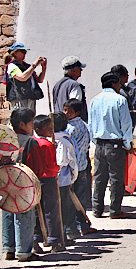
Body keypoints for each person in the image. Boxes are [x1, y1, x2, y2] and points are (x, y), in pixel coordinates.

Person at [89, 72, 133, 219]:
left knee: (99, 178)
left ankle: (97, 209)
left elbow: (91, 124)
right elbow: (126, 124)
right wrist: (128, 143)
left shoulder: (94, 100)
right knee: (116, 179)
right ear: (114, 83)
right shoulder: (120, 100)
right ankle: (114, 210)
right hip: (115, 145)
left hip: (100, 144)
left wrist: (95, 142)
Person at [2, 108, 39, 261]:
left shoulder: (5, 139)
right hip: (23, 184)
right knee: (24, 215)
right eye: (31, 123)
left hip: (5, 182)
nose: (33, 126)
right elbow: (34, 165)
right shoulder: (30, 141)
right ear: (23, 124)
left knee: (7, 212)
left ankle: (8, 248)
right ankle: (23, 251)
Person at [31, 115, 64, 252]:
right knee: (51, 210)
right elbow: (52, 165)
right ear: (38, 130)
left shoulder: (31, 142)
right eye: (47, 128)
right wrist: (58, 169)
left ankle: (35, 239)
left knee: (36, 210)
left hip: (34, 180)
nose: (51, 130)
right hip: (48, 179)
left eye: (51, 127)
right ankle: (54, 240)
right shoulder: (47, 145)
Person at [63, 99, 96, 236]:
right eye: (64, 110)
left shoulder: (69, 128)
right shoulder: (85, 125)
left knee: (70, 199)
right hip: (83, 165)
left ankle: (73, 228)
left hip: (72, 168)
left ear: (76, 112)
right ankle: (82, 225)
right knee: (80, 197)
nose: (66, 113)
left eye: (69, 111)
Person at [52, 113, 79, 241]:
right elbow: (70, 162)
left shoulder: (50, 140)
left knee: (54, 209)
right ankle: (61, 236)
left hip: (51, 180)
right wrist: (73, 178)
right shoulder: (65, 141)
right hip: (63, 181)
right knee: (63, 209)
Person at [2, 42, 46, 113]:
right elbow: (22, 77)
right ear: (15, 53)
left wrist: (44, 68)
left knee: (30, 121)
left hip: (30, 97)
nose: (25, 53)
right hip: (19, 98)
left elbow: (40, 80)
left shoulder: (27, 66)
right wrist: (34, 65)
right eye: (22, 51)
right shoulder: (12, 66)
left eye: (25, 51)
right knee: (20, 121)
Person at [53, 56, 88, 122]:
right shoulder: (74, 85)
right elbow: (74, 106)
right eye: (79, 68)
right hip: (71, 125)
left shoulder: (57, 85)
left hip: (60, 124)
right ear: (73, 70)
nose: (81, 70)